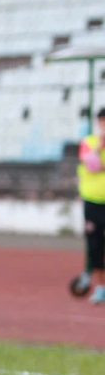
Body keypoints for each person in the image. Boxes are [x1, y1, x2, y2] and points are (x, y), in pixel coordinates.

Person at [77, 108, 105, 305]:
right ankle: (101, 287)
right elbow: (92, 166)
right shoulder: (89, 143)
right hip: (93, 202)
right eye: (103, 122)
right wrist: (100, 147)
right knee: (95, 246)